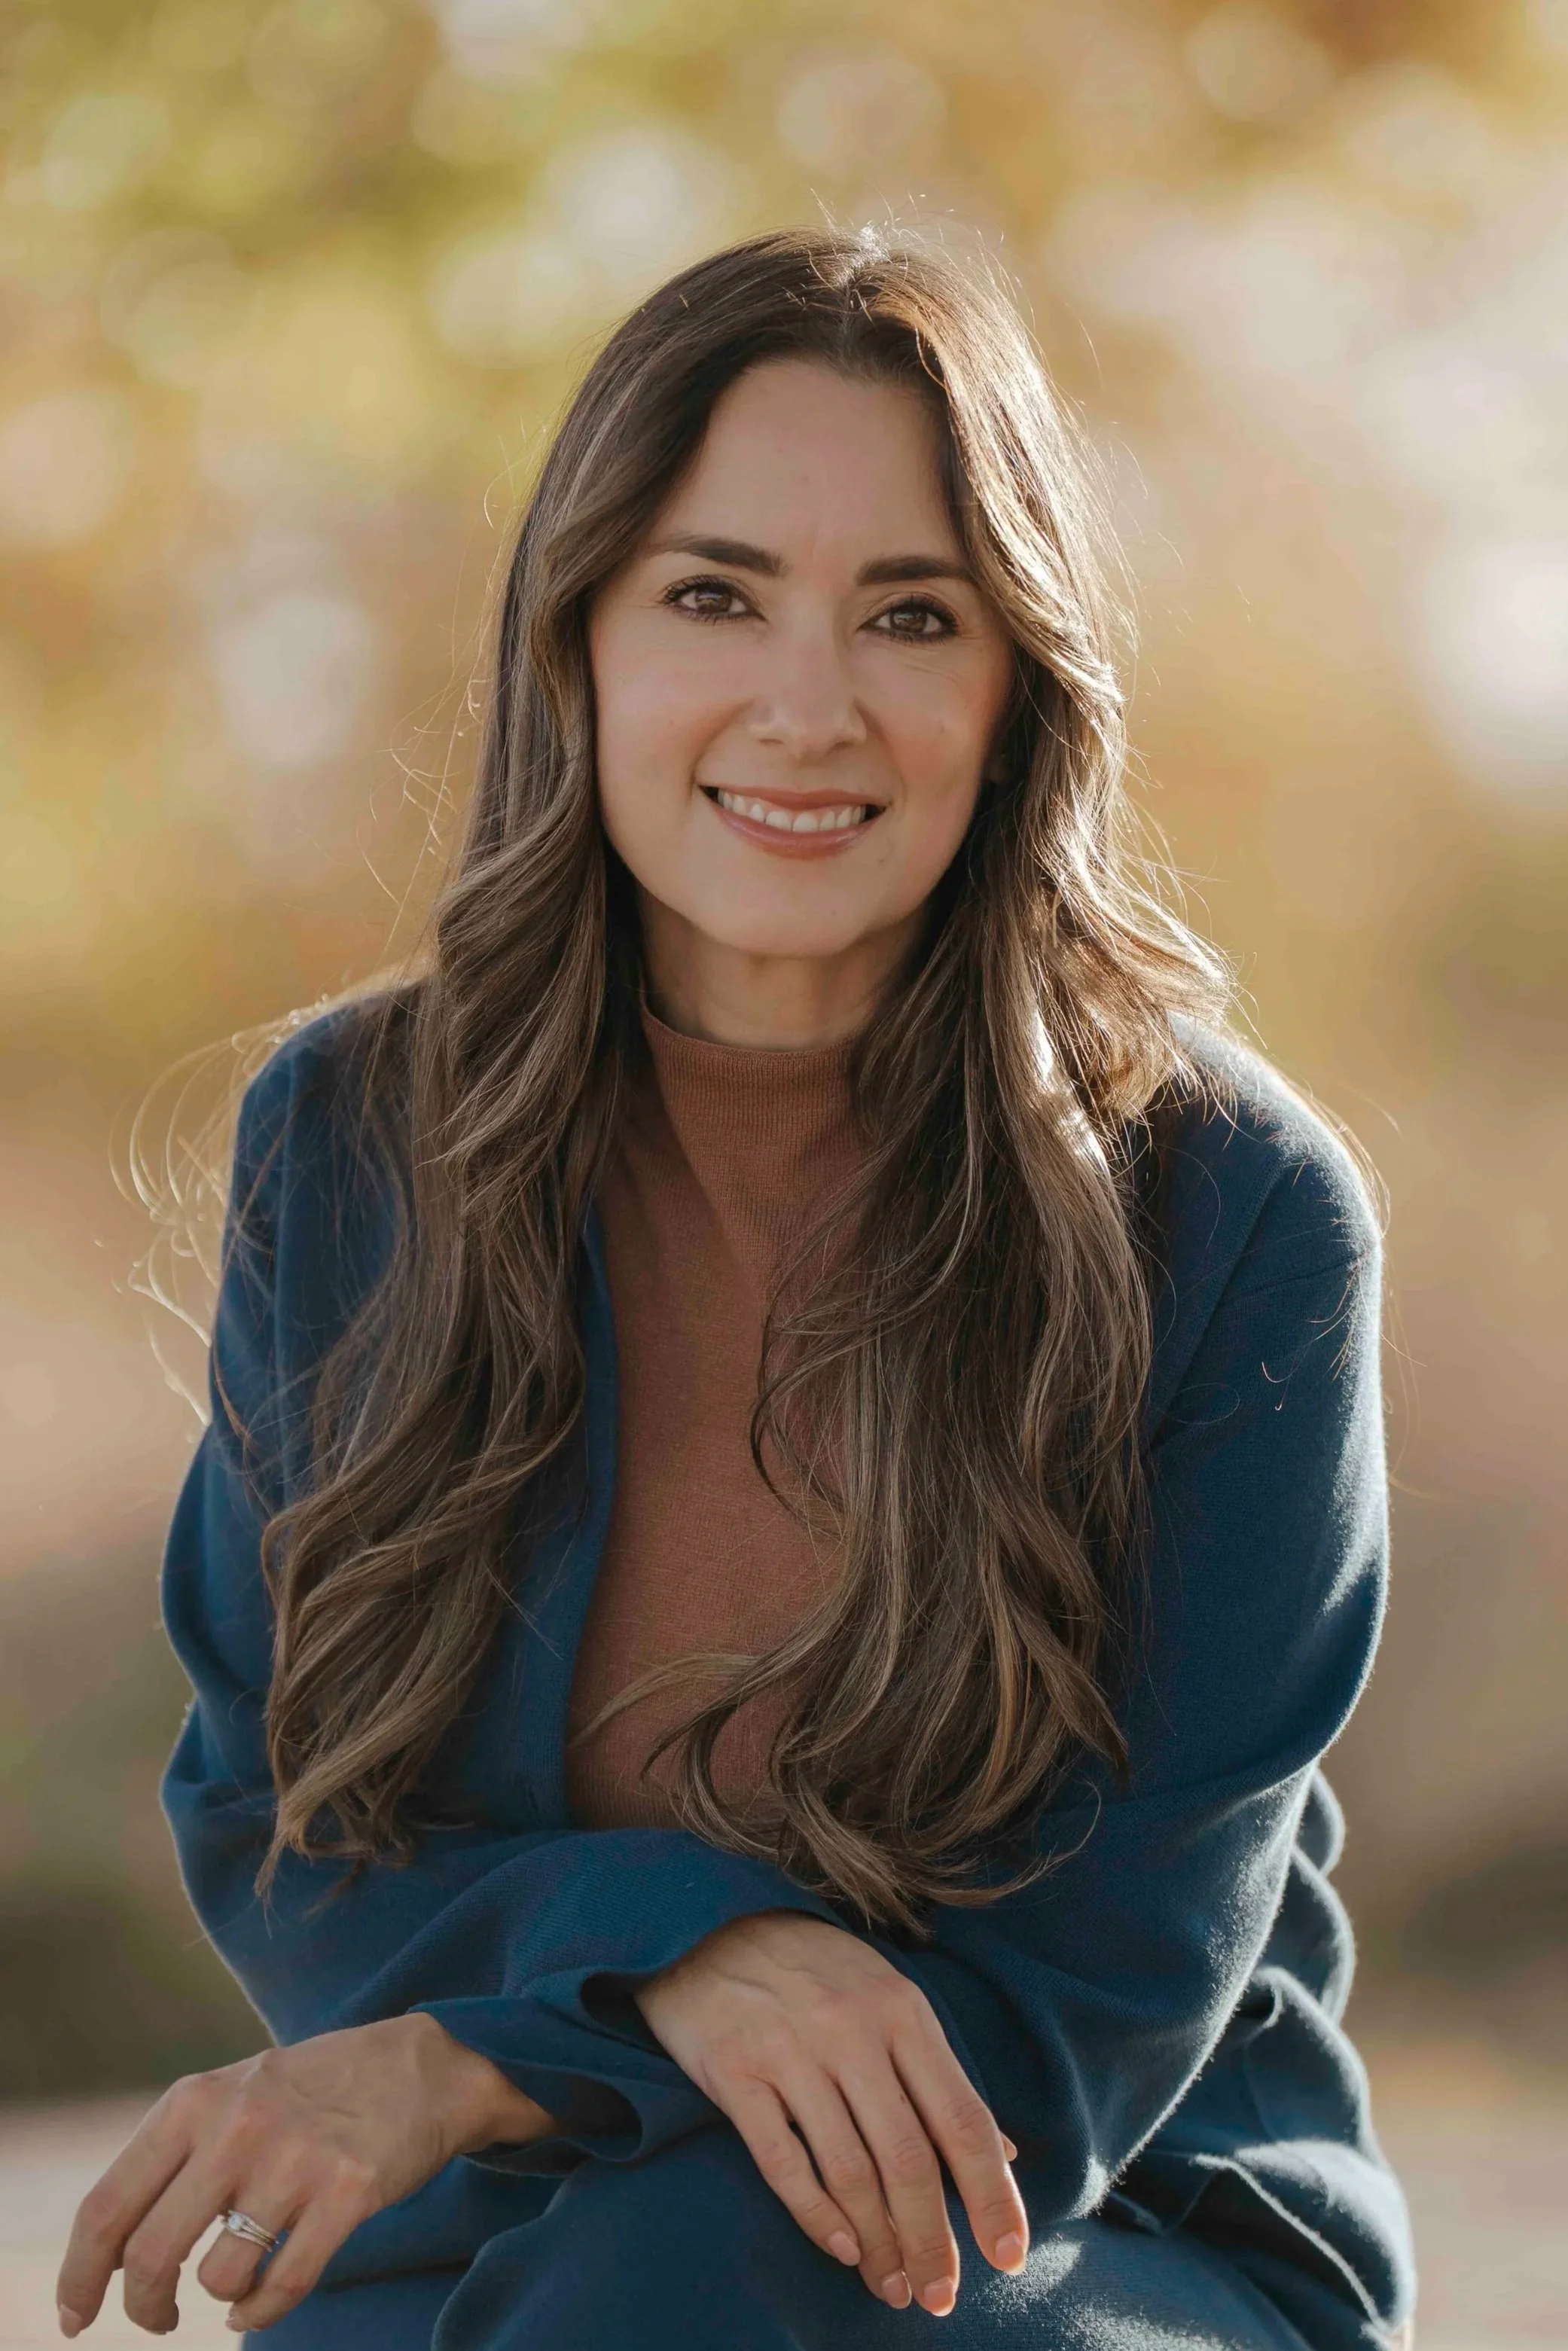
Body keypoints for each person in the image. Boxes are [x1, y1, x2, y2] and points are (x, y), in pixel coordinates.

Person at [56, 227, 1415, 2349]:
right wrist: (685, 1953)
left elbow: (1097, 2003)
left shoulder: (1226, 1213)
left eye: (911, 614)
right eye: (714, 594)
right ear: (578, 637)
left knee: (662, 2290)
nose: (810, 705)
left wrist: (511, 2039)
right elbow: (282, 1816)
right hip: (519, 2221)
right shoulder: (350, 1146)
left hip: (1083, 2221)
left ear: (1016, 685)